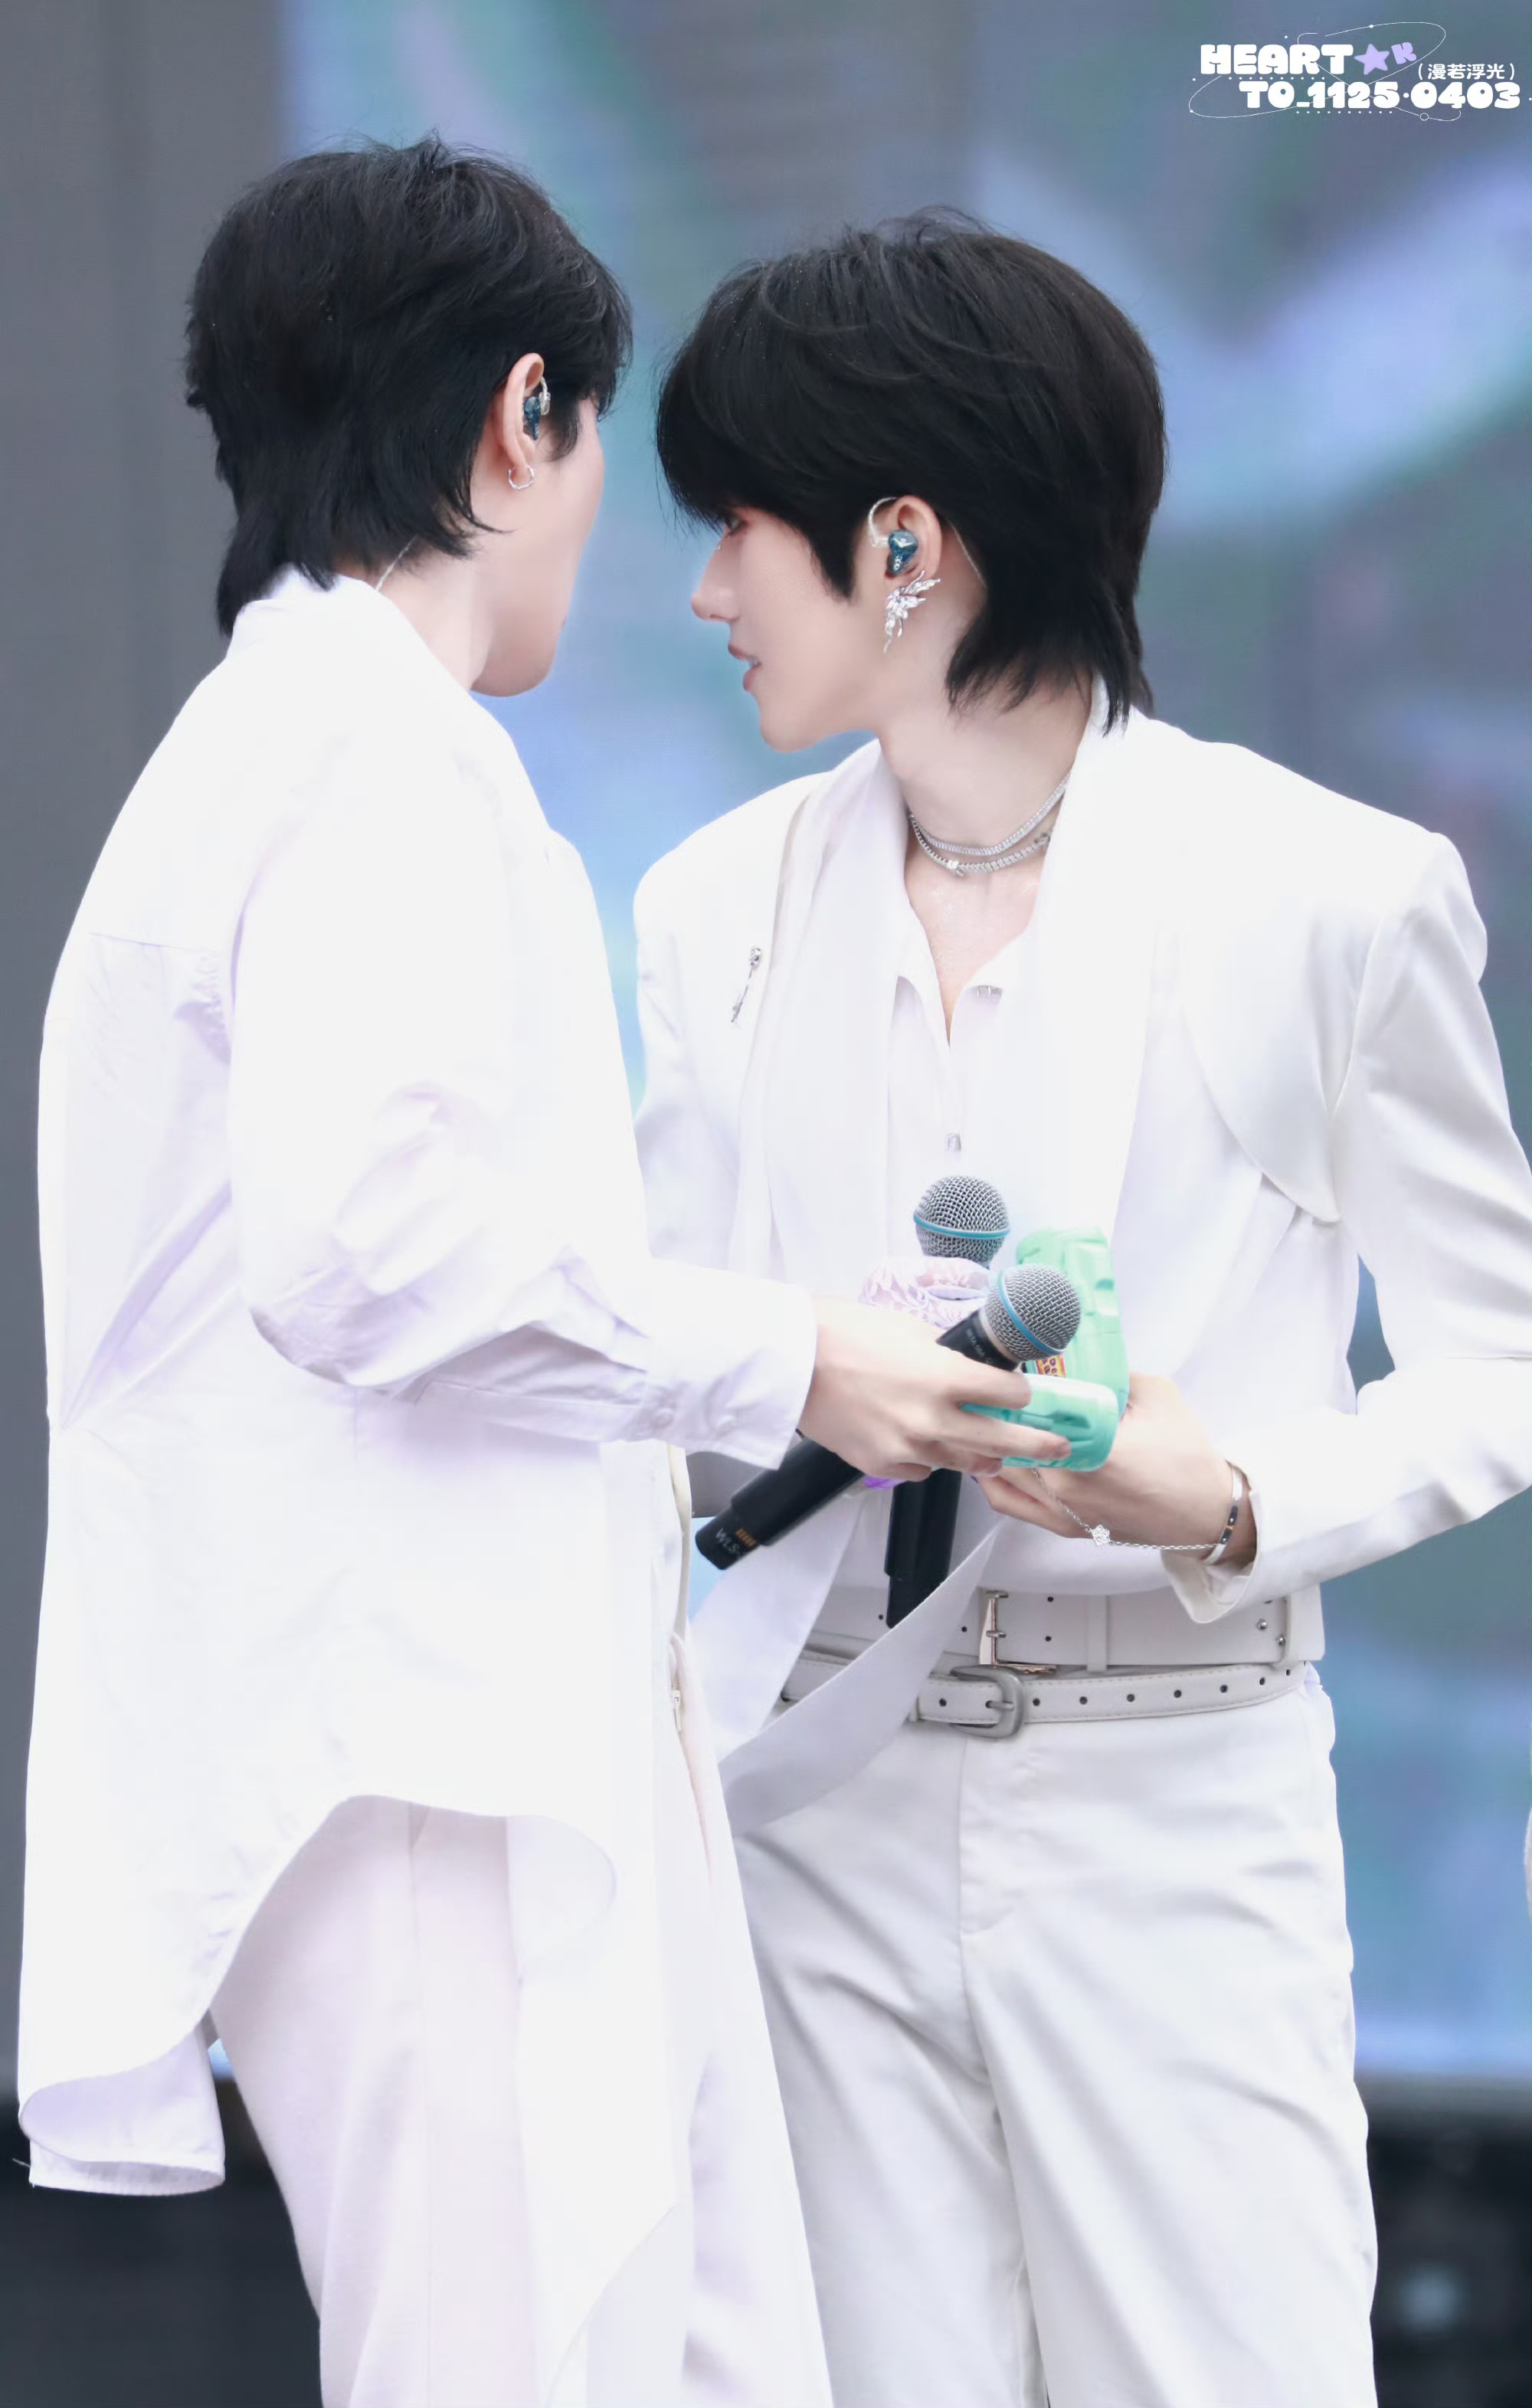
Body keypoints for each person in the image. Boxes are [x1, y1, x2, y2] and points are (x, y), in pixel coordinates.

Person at [16, 149, 1036, 2408]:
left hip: (452, 1750)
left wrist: (796, 1355)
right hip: (425, 1772)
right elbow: (370, 1255)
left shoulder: (298, 742)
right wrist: (792, 1360)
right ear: (522, 416)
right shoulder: (376, 754)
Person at [634, 211, 1532, 2408]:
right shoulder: (709, 908)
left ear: (905, 547)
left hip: (1175, 1797)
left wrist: (1227, 1495)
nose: (706, 589)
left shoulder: (1328, 895)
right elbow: (667, 1369)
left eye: (738, 524)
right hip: (819, 1797)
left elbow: (1506, 1362)